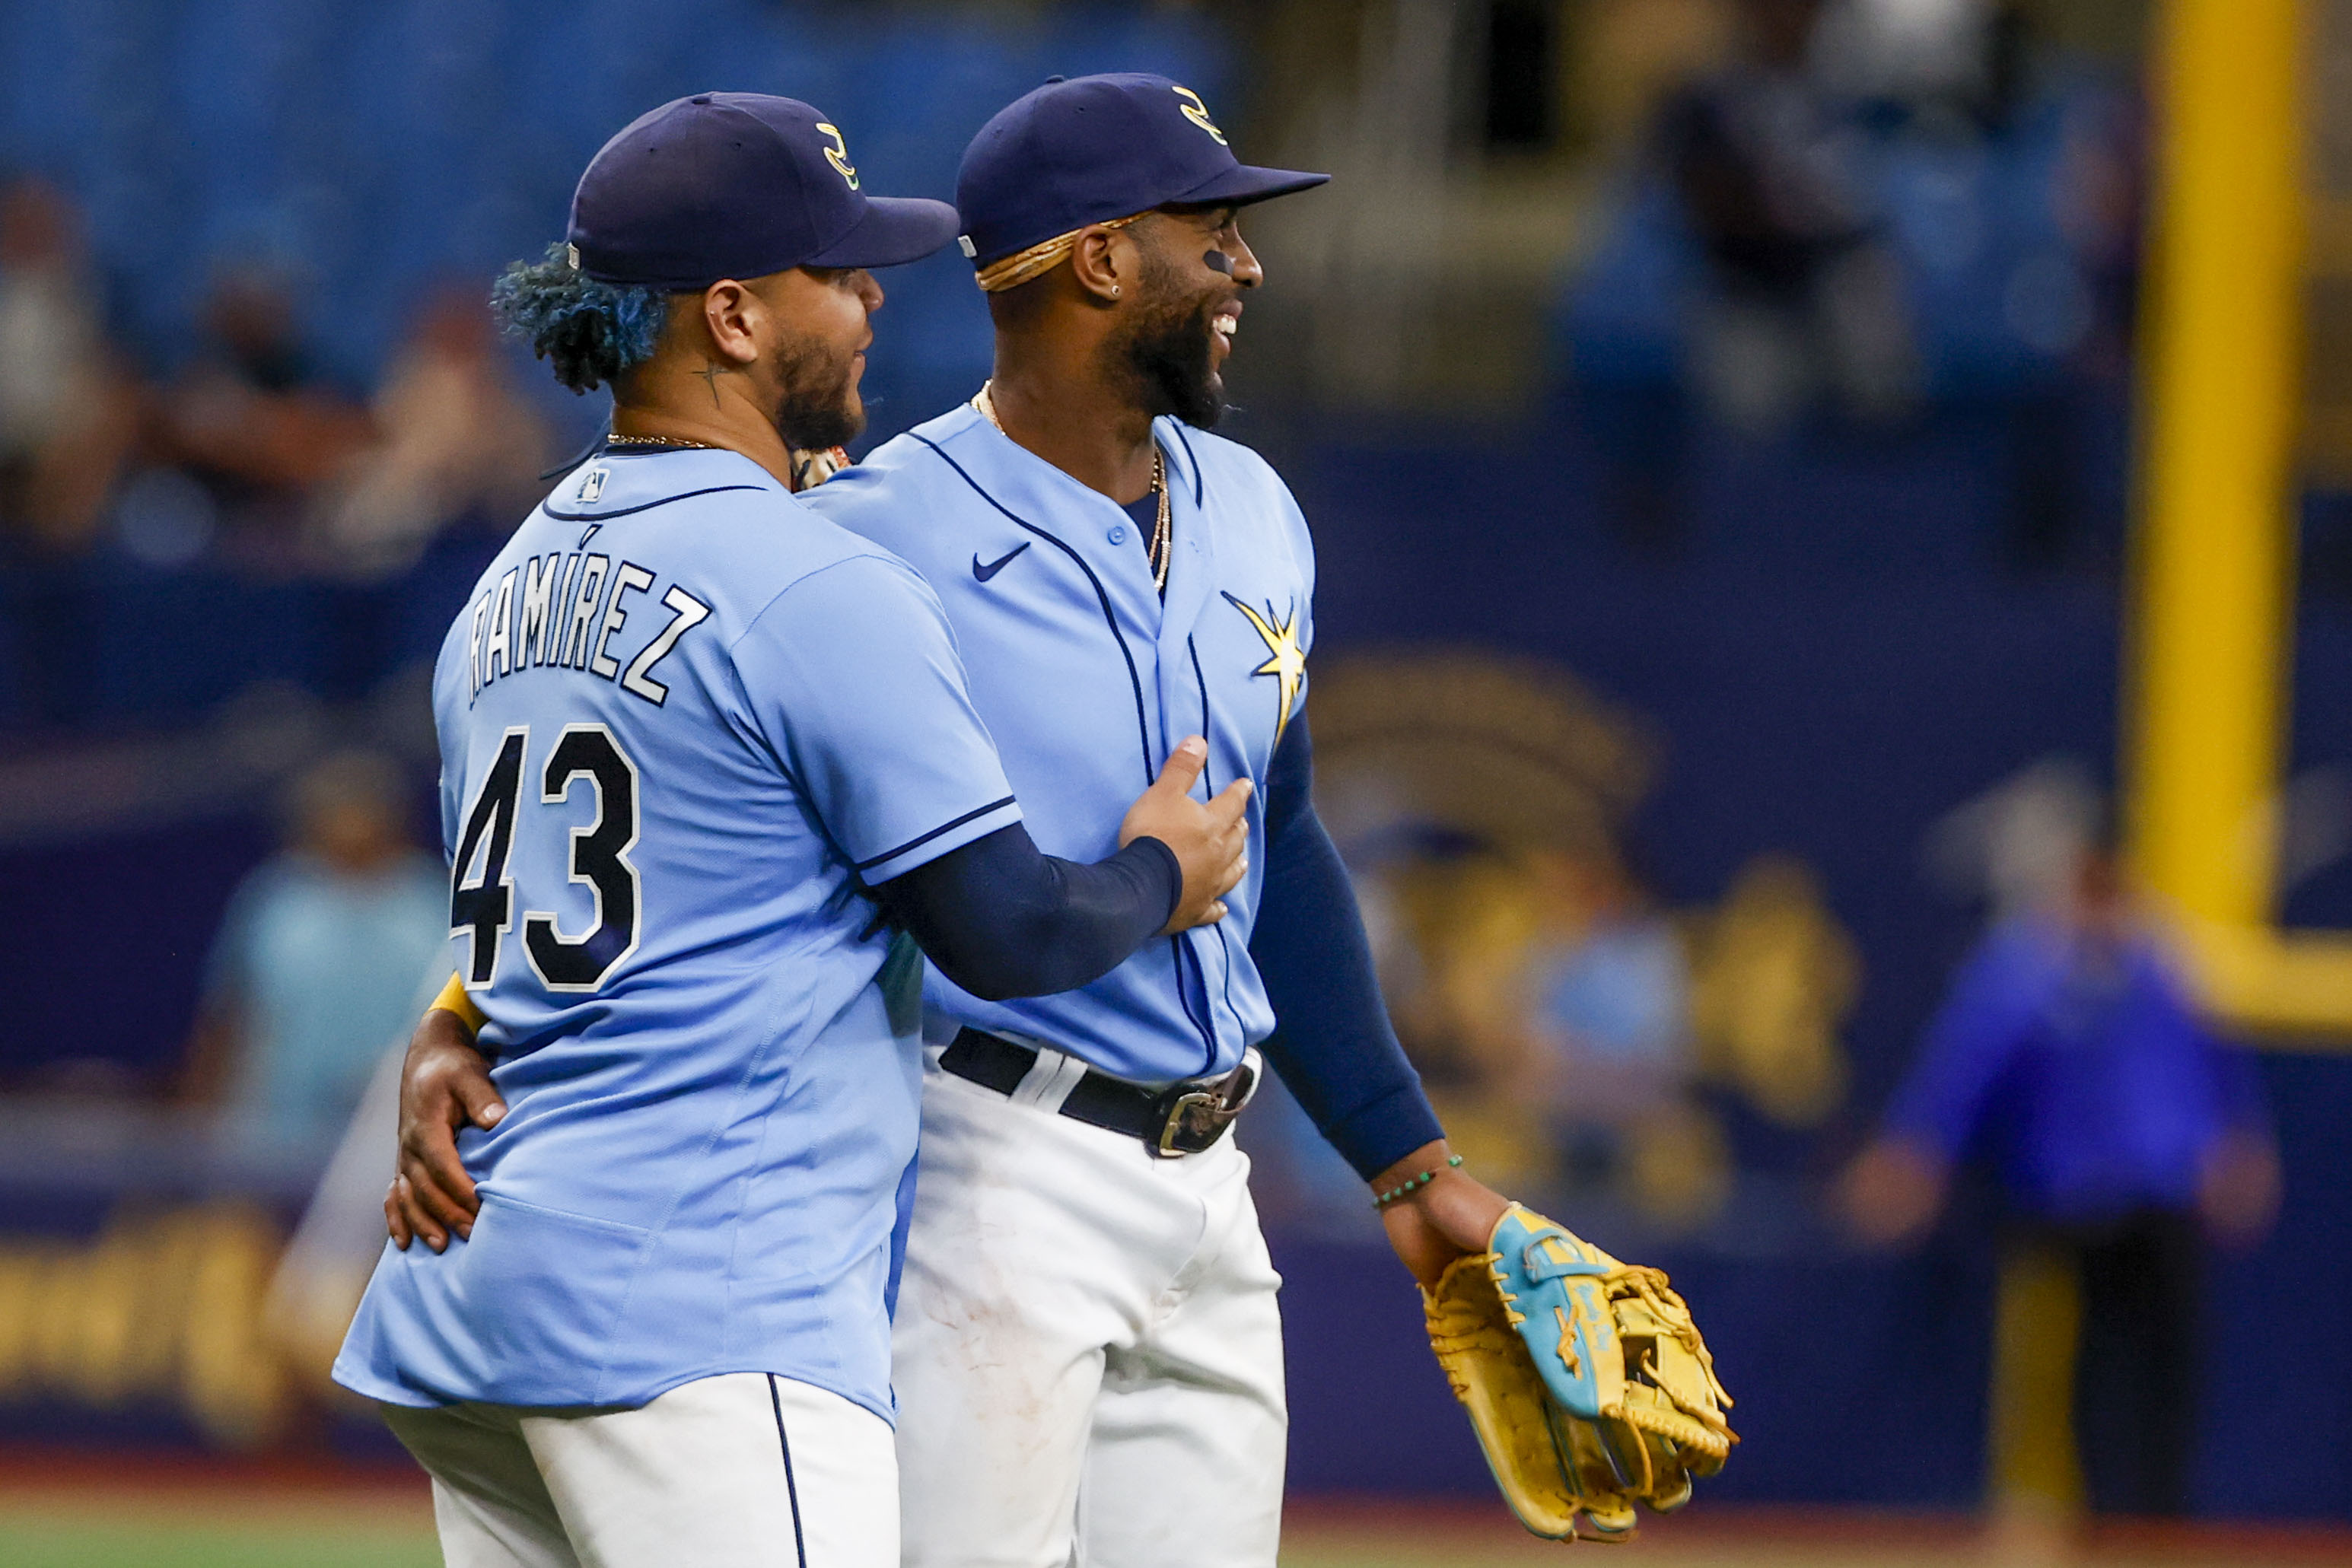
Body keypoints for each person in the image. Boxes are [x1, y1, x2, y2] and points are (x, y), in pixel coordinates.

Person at [396, 75, 1532, 1567]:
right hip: (975, 1165)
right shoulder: (861, 532)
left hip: (1211, 1185)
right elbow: (650, 790)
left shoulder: (1256, 507)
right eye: (1215, 229)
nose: (1247, 262)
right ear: (1102, 259)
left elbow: (1286, 840)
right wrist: (461, 1007)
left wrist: (1408, 1163)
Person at [1841, 827, 2279, 1519]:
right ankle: (2098, 1517)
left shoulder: (2156, 959)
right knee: (2088, 1367)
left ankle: (2161, 1521)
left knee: (2169, 1364)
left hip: (2162, 1192)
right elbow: (1961, 1068)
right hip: (2072, 1196)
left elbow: (2211, 1061)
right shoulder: (2024, 967)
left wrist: (2238, 1143)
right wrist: (1914, 1151)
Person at [181, 749, 447, 1155]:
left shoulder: (432, 904)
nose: (348, 823)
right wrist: (199, 1134)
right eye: (335, 809)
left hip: (398, 1141)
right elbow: (227, 1020)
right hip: (275, 1138)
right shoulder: (276, 900)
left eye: (360, 808)